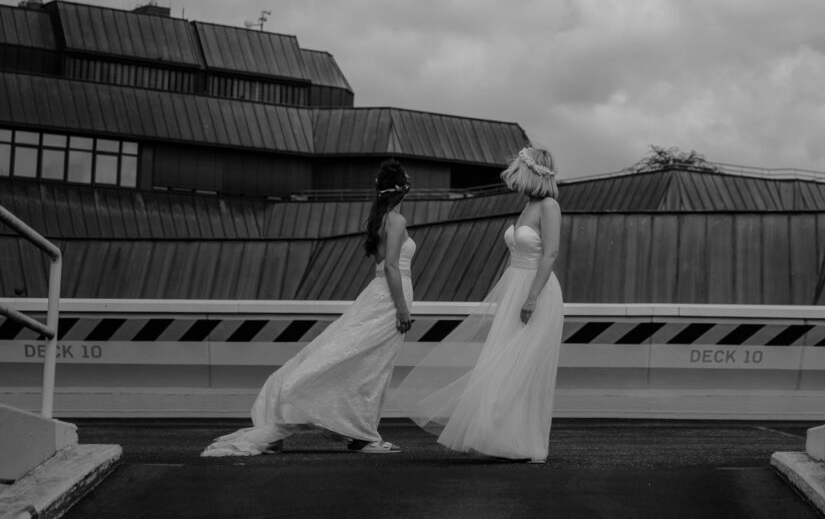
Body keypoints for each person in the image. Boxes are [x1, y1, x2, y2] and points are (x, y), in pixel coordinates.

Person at [201, 159, 416, 456]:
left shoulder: (377, 220)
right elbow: (392, 267)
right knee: (372, 366)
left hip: (376, 294)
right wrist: (402, 309)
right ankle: (364, 435)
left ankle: (360, 432)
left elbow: (381, 268)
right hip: (390, 299)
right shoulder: (397, 220)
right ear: (402, 189)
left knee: (358, 360)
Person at [395, 146, 564, 463]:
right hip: (514, 285)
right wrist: (508, 292)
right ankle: (500, 437)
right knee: (501, 363)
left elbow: (550, 254)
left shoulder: (549, 206)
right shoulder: (527, 206)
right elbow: (515, 254)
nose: (513, 178)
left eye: (518, 172)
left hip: (536, 291)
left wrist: (531, 297)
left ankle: (522, 442)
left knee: (520, 365)